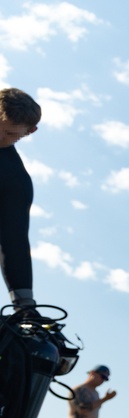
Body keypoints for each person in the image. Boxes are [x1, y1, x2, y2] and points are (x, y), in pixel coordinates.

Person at [0, 88, 41, 310]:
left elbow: (13, 241)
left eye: (10, 134)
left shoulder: (15, 180)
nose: (0, 137)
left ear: (29, 132)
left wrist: (24, 304)